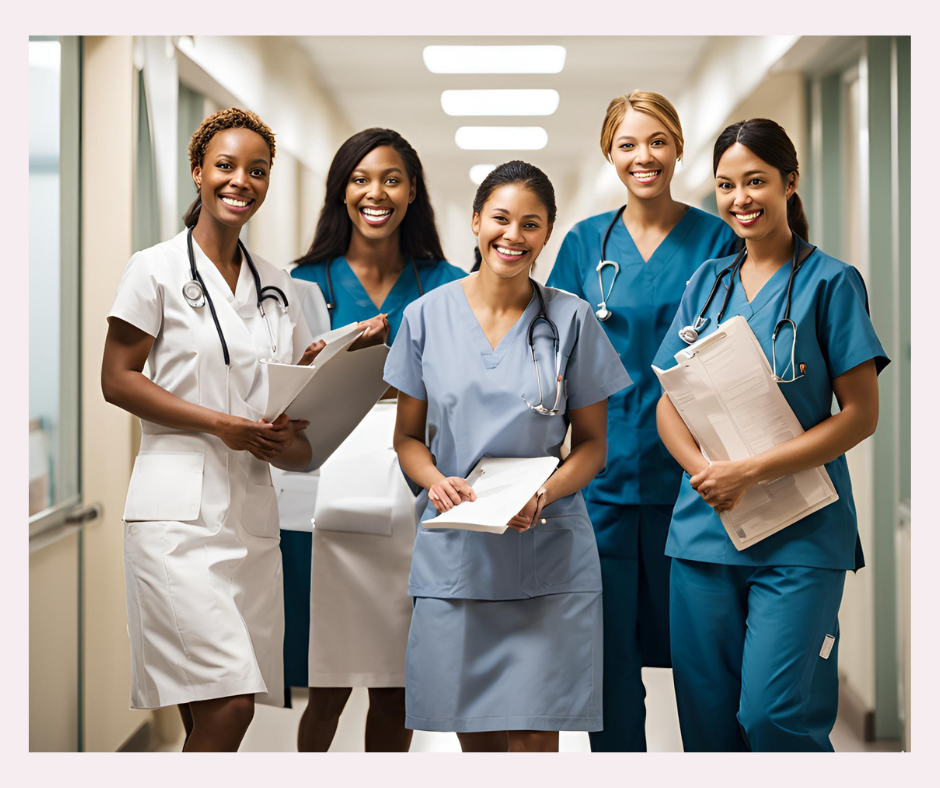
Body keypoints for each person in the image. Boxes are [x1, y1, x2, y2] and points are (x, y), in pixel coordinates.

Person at [100, 108, 384, 752]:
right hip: (175, 518)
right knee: (229, 709)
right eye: (226, 166)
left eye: (257, 171)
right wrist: (220, 423)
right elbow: (117, 378)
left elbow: (299, 422)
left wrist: (328, 385)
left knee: (210, 710)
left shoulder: (280, 288)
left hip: (255, 522)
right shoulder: (155, 270)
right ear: (198, 171)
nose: (241, 181)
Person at [653, 118, 889, 751]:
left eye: (755, 181)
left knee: (773, 716)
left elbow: (860, 415)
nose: (740, 199)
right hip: (706, 532)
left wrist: (749, 472)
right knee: (706, 724)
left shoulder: (832, 282)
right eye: (726, 185)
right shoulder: (707, 284)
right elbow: (668, 402)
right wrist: (706, 472)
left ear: (789, 182)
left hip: (802, 538)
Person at [385, 160, 632, 752]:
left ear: (547, 233)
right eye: (500, 218)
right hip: (460, 554)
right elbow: (407, 440)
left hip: (544, 545)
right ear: (475, 222)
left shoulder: (570, 320)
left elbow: (593, 446)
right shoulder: (425, 317)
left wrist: (541, 492)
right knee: (477, 735)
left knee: (531, 738)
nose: (512, 236)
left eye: (531, 223)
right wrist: (436, 482)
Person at [545, 90, 738, 752]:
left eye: (657, 141)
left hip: (698, 485)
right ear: (609, 153)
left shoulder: (718, 238)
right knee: (609, 672)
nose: (643, 156)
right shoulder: (582, 244)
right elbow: (553, 361)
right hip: (603, 489)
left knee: (707, 671)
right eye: (627, 144)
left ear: (679, 147)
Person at [281, 128, 465, 752]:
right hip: (324, 499)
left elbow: (471, 382)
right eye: (360, 179)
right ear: (341, 192)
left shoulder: (450, 282)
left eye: (391, 178)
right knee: (327, 681)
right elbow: (278, 390)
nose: (375, 192)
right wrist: (334, 364)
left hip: (420, 490)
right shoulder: (302, 284)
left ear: (413, 190)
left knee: (397, 681)